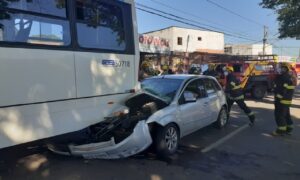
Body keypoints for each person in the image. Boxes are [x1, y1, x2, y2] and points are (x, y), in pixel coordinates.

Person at [272, 62, 295, 136]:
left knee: (279, 115)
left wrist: (278, 98)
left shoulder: (283, 77)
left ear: (285, 69)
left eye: (281, 68)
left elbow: (283, 90)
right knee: (286, 115)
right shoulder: (288, 76)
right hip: (287, 100)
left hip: (282, 100)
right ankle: (289, 129)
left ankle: (280, 130)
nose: (280, 69)